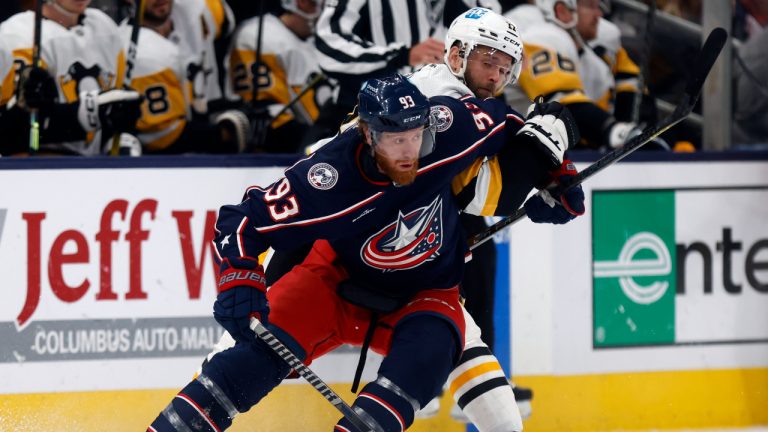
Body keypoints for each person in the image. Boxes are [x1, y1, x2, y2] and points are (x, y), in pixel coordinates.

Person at [147, 73, 583, 431]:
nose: (410, 151)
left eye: (417, 136)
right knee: (243, 366)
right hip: (334, 284)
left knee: (419, 371)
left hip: (426, 295)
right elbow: (242, 221)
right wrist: (238, 277)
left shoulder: (447, 126)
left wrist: (551, 170)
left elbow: (505, 122)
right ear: (367, 133)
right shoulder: (327, 175)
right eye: (396, 140)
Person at [408, 7, 535, 425]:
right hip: (386, 227)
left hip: (422, 217)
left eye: (504, 67)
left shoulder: (456, 91)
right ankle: (428, 376)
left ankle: (452, 379)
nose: (496, 76)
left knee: (476, 281)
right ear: (458, 55)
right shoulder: (443, 97)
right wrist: (537, 173)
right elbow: (479, 191)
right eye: (487, 62)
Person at [306, 0, 501, 147]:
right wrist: (400, 56)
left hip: (441, 113)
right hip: (361, 114)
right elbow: (329, 44)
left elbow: (493, 23)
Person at [506, 0, 657, 150]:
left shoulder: (594, 56)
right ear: (562, 11)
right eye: (590, 6)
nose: (599, 14)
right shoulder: (542, 37)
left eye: (598, 7)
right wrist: (613, 131)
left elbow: (631, 85)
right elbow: (559, 105)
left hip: (549, 141)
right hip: (511, 143)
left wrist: (641, 129)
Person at [0, 0, 142, 156]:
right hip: (38, 167)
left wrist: (118, 137)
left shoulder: (105, 27)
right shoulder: (14, 36)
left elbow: (116, 103)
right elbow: (12, 132)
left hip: (95, 167)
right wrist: (86, 114)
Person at [118, 0, 249, 154]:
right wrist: (223, 135)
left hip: (213, 117)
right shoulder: (135, 52)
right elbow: (162, 137)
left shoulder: (196, 9)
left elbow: (225, 24)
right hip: (177, 160)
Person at [225, 0, 334, 153]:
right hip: (280, 154)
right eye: (315, 4)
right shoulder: (258, 35)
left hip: (319, 143)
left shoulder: (328, 41)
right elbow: (269, 119)